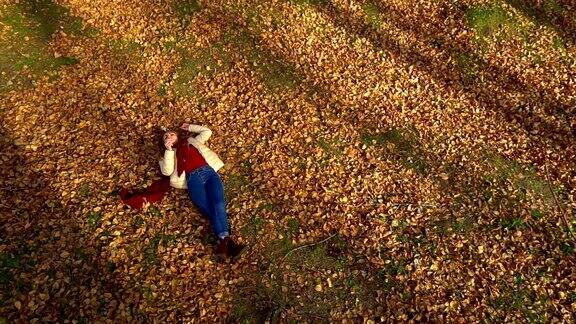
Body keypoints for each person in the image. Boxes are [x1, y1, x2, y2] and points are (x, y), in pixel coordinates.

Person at [159, 123, 244, 260]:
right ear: (164, 143)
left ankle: (224, 243)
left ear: (178, 135)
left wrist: (190, 127)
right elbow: (167, 171)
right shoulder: (166, 155)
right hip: (193, 180)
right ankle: (228, 244)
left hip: (209, 173)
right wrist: (168, 150)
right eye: (166, 137)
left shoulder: (191, 141)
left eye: (171, 134)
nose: (169, 136)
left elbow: (207, 131)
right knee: (211, 209)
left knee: (219, 204)